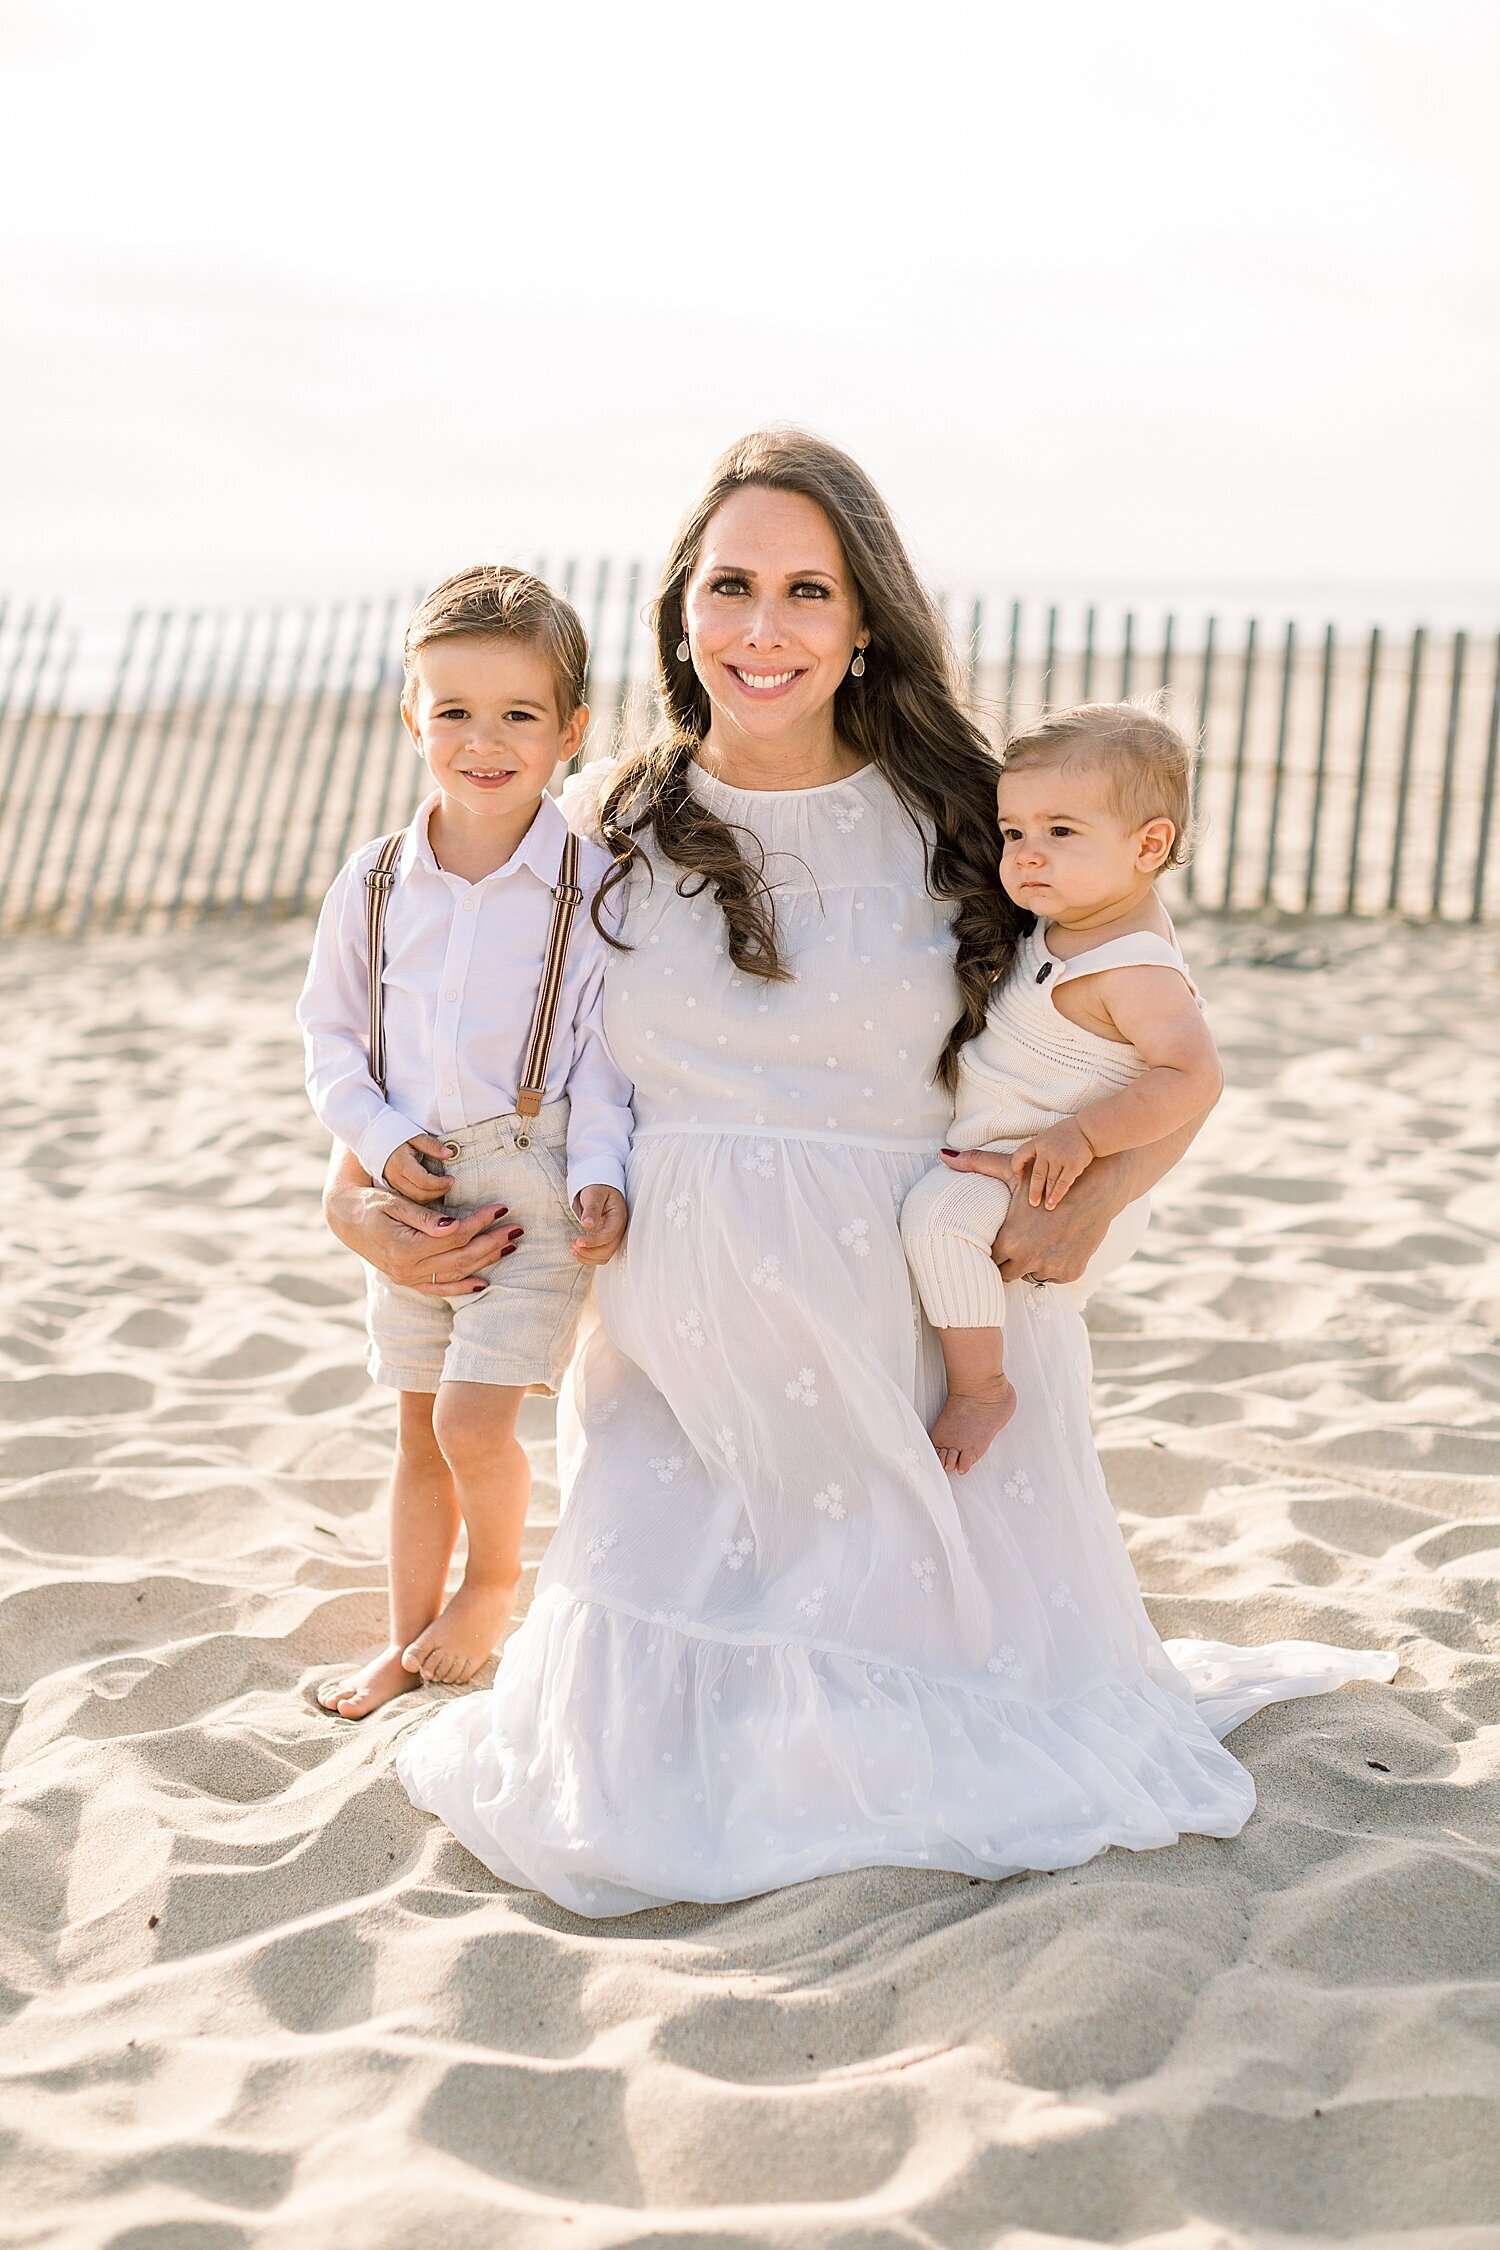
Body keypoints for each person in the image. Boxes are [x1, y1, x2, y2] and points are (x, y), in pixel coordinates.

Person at [324, 432, 1393, 1915]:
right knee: (627, 1766)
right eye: (733, 586)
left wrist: (1097, 1203)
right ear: (682, 612)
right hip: (675, 1391)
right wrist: (348, 1196)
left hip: (916, 1360)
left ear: (864, 618)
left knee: (945, 1735)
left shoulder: (974, 813)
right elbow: (462, 1038)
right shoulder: (608, 832)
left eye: (807, 590)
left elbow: (1152, 1025)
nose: (764, 628)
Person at [298, 565, 632, 1720]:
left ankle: (493, 1583)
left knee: (472, 1419)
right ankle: (404, 1637)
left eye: (519, 715)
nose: (483, 742)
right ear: (411, 718)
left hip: (531, 1188)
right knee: (415, 1431)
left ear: (572, 730)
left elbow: (601, 1060)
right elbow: (330, 1036)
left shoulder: (589, 888)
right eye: (453, 712)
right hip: (413, 1181)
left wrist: (597, 1177)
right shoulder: (377, 879)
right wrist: (378, 1141)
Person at [900, 702, 1223, 1476]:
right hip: (1015, 1151)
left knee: (937, 1222)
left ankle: (981, 1391)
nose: (1028, 856)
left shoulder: (1133, 967)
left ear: (1150, 845)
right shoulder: (1071, 917)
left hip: (1053, 1175)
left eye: (1061, 832)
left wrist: (1084, 1137)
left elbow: (1195, 1074)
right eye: (1015, 833)